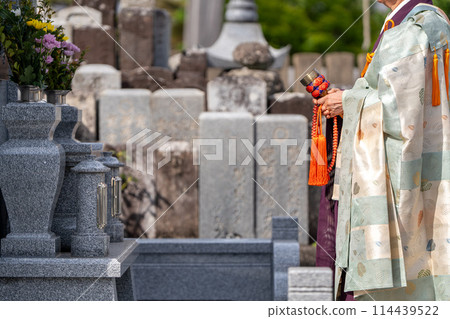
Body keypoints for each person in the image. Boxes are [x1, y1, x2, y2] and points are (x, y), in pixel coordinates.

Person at [314, 0, 450, 300]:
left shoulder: (414, 27)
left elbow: (400, 110)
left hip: (410, 166)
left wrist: (347, 102)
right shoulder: (419, 21)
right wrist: (349, 97)